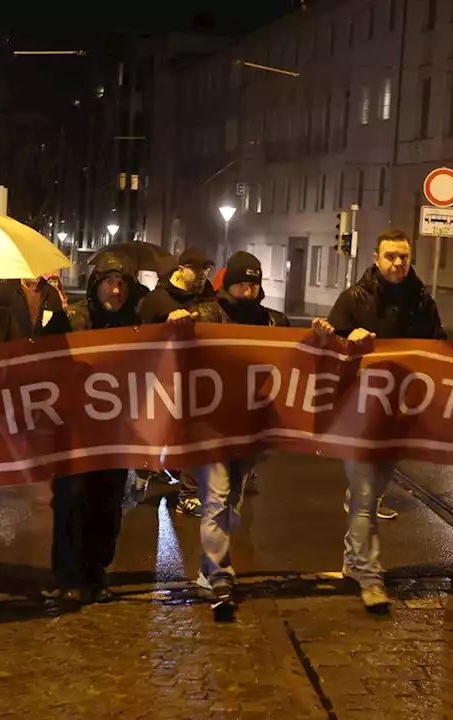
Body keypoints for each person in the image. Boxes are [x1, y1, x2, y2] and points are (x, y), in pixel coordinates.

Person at [315, 228, 447, 612]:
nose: (397, 263)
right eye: (390, 256)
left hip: (399, 414)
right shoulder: (353, 299)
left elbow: (436, 346)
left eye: (403, 256)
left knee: (371, 491)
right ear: (376, 257)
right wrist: (346, 340)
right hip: (357, 413)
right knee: (365, 493)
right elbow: (329, 348)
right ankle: (370, 576)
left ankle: (352, 563)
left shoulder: (422, 300)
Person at [189, 251, 289, 620]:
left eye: (254, 283)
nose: (249, 290)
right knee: (215, 500)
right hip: (211, 427)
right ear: (228, 284)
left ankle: (207, 568)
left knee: (232, 505)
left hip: (248, 428)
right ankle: (219, 575)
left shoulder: (272, 322)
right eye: (242, 283)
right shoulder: (206, 315)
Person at [50, 253, 143, 605]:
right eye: (109, 283)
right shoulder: (71, 319)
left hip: (115, 433)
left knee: (108, 503)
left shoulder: (136, 324)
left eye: (121, 284)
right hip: (73, 431)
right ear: (95, 285)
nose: (115, 290)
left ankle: (97, 572)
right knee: (71, 501)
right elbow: (35, 359)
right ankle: (67, 576)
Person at [137, 246, 215, 517]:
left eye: (206, 270)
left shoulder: (206, 296)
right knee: (155, 431)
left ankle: (188, 494)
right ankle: (143, 469)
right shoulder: (158, 299)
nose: (203, 275)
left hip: (194, 377)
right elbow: (142, 336)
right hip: (160, 378)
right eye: (197, 270)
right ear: (181, 269)